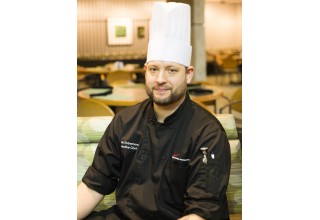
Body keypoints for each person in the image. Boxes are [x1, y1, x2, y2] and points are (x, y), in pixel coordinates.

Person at [77, 2, 231, 220]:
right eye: (154, 69)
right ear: (145, 72)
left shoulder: (208, 133)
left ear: (188, 74)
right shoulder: (124, 122)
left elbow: (201, 212)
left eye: (171, 70)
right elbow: (94, 185)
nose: (160, 79)